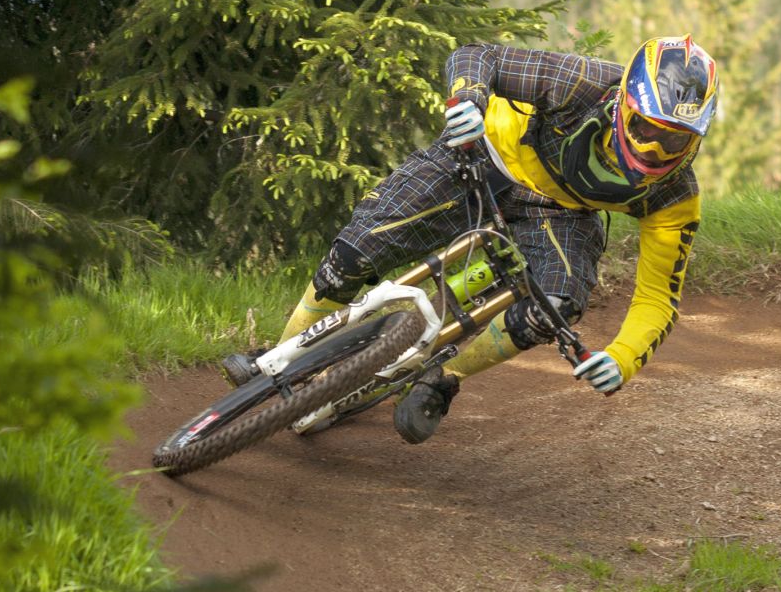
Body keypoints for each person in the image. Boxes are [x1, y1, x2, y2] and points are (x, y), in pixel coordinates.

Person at [225, 35, 719, 443]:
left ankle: (442, 377)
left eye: (675, 139)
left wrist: (622, 358)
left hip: (560, 213)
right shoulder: (581, 83)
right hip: (482, 157)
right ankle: (279, 354)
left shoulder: (674, 195)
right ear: (622, 104)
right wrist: (470, 99)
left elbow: (657, 298)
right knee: (354, 253)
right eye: (643, 127)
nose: (655, 149)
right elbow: (476, 55)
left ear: (696, 139)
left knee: (557, 303)